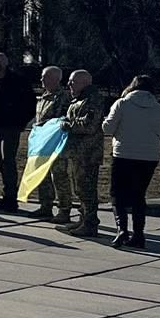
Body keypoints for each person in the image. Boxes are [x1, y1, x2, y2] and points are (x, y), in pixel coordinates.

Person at [105, 74, 160, 250]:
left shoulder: (122, 104)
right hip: (149, 157)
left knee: (117, 194)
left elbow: (108, 128)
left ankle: (121, 230)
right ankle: (139, 235)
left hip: (123, 154)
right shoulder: (159, 108)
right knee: (138, 195)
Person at [0, 52, 35, 211]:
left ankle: (11, 198)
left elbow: (29, 104)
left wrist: (19, 123)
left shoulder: (18, 81)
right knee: (1, 163)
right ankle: (7, 194)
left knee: (8, 162)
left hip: (10, 128)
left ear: (3, 63)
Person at [63, 68, 109, 239]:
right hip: (77, 153)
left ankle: (90, 223)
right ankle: (83, 219)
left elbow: (90, 125)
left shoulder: (93, 99)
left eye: (73, 81)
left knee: (87, 189)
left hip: (88, 154)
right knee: (79, 188)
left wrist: (68, 125)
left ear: (84, 83)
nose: (69, 84)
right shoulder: (79, 99)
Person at [31, 65, 74, 223]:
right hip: (42, 143)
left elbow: (61, 121)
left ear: (56, 79)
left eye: (45, 77)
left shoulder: (63, 98)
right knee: (42, 176)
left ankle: (64, 210)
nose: (41, 80)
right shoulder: (44, 97)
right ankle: (45, 206)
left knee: (59, 177)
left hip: (56, 144)